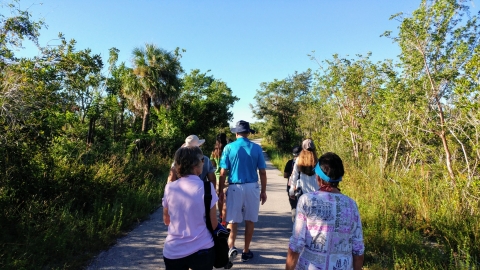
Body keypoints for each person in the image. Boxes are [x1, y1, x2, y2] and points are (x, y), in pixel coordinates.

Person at [285, 152, 365, 270]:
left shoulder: (306, 200)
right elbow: (358, 248)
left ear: (318, 177)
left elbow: (297, 243)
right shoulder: (351, 204)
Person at [218, 120, 267, 264]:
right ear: (248, 132)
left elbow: (222, 172)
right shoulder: (256, 148)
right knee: (250, 220)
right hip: (252, 187)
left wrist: (221, 191)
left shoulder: (228, 147)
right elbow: (262, 172)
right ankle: (246, 251)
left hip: (235, 187)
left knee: (232, 220)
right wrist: (263, 191)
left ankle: (231, 247)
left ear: (236, 132)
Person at [162, 146, 219, 270]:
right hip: (202, 248)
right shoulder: (208, 188)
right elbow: (214, 224)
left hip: (173, 251)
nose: (203, 163)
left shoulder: (169, 188)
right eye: (202, 160)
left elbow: (166, 220)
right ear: (195, 166)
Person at [210, 133, 229, 225]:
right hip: (228, 176)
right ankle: (225, 219)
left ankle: (221, 216)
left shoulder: (214, 151)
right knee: (225, 198)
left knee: (219, 197)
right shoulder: (228, 149)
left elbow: (212, 164)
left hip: (217, 177)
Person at [284, 145, 302, 222]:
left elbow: (285, 175)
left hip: (291, 186)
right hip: (301, 187)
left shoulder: (289, 162)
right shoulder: (303, 163)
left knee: (293, 206)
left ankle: (295, 222)